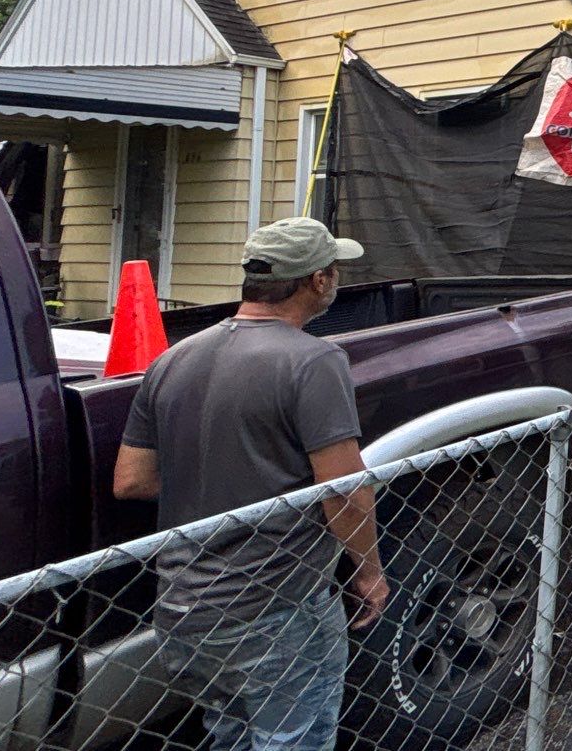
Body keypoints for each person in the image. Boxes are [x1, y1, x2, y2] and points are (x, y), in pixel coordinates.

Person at [113, 218, 388, 751]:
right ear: (318, 280)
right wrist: (370, 575)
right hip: (277, 611)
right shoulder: (314, 361)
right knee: (293, 740)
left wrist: (222, 478)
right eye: (333, 269)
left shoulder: (173, 359)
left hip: (184, 611)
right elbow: (344, 492)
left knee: (230, 737)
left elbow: (131, 481)